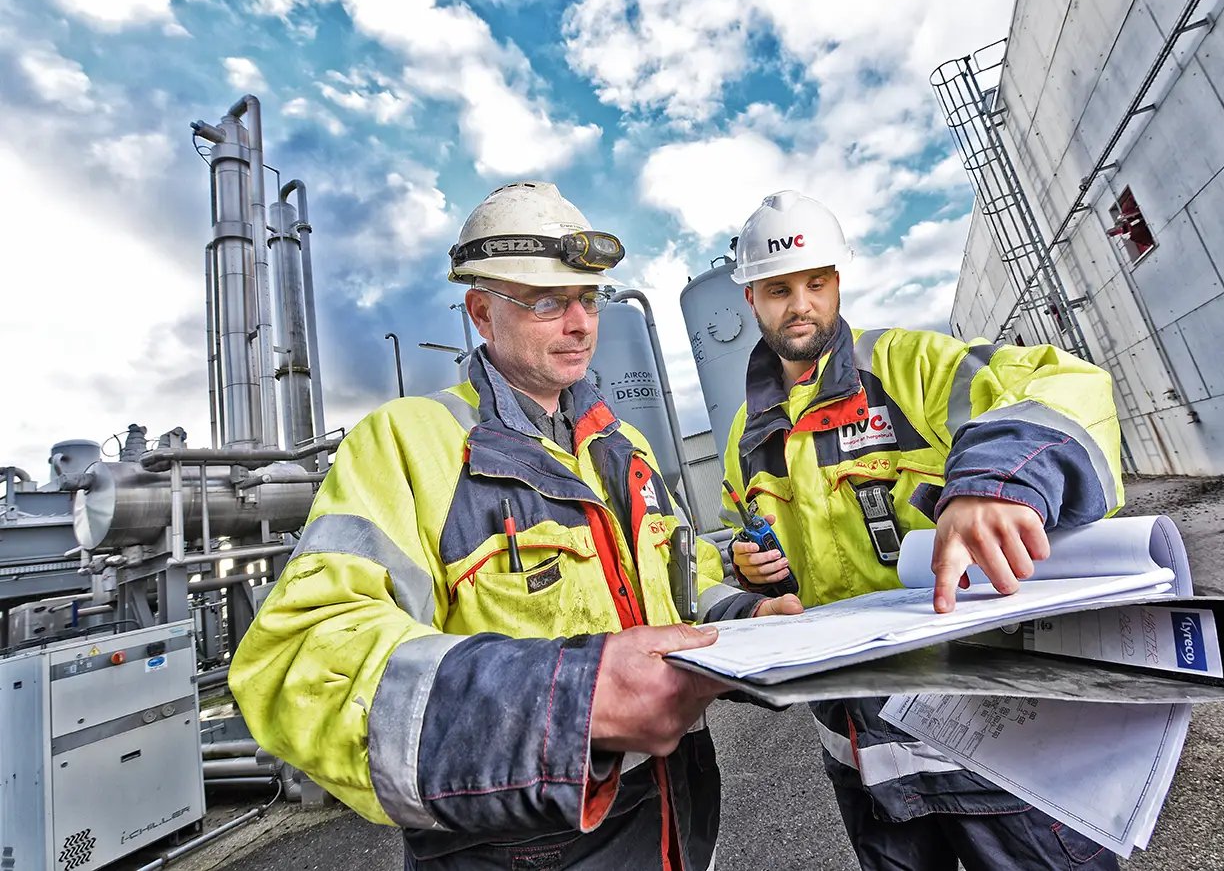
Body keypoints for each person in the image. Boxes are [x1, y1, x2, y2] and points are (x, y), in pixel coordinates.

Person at [230, 181, 801, 870]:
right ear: (480, 311)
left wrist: (746, 609)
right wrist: (571, 701)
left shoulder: (626, 449)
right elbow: (300, 660)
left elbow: (684, 582)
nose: (580, 322)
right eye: (545, 301)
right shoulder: (411, 446)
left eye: (587, 299)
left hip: (676, 831)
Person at [722, 190, 1125, 870]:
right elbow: (775, 545)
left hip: (993, 751)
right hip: (866, 761)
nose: (801, 304)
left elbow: (1065, 383)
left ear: (838, 284)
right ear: (751, 300)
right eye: (779, 288)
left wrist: (995, 481)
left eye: (816, 283)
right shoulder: (744, 435)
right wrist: (756, 570)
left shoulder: (909, 366)